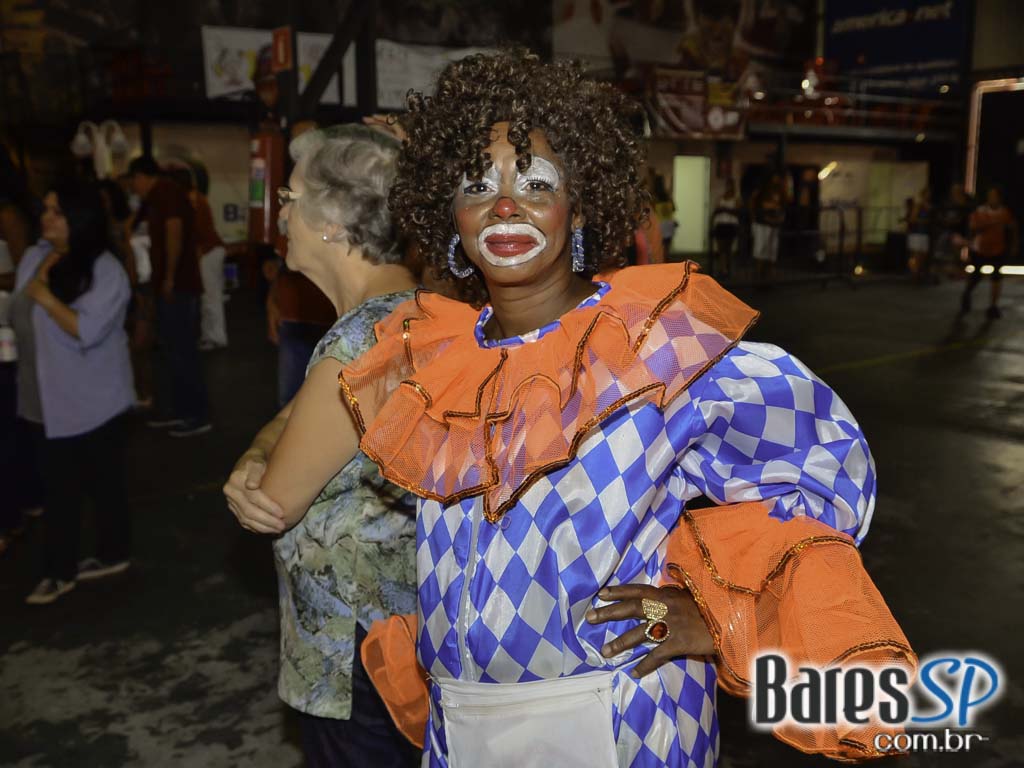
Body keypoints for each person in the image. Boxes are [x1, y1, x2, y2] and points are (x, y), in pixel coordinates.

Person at [254, 51, 914, 766]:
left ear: (581, 203)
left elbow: (820, 469)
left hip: (624, 718)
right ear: (450, 211)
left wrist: (720, 613)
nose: (505, 206)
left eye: (536, 183)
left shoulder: (650, 348)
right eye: (479, 184)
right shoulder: (432, 360)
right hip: (464, 722)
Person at [223, 125, 421, 768]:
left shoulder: (354, 342)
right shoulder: (412, 309)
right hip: (402, 635)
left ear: (332, 219)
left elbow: (274, 500)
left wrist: (254, 467)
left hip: (351, 651)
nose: (279, 212)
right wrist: (262, 446)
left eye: (290, 194)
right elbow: (298, 416)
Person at [14, 181, 134, 605]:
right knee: (58, 486)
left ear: (78, 220)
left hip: (94, 399)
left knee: (95, 486)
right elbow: (17, 310)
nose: (46, 218)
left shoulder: (105, 269)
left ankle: (67, 569)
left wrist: (45, 298)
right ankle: (82, 559)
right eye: (45, 209)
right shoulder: (34, 256)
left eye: (56, 212)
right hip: (41, 395)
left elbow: (84, 329)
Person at [129, 155, 211, 436]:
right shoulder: (158, 196)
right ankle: (179, 410)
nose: (134, 189)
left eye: (133, 182)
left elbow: (173, 229)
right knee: (172, 349)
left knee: (182, 350)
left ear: (141, 176)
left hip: (178, 284)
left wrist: (169, 276)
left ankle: (195, 414)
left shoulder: (165, 193)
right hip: (172, 282)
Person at [961, 185, 1018, 319]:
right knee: (976, 276)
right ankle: (967, 293)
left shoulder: (1004, 212)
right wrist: (989, 224)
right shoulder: (981, 211)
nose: (992, 198)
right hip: (981, 248)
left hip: (998, 249)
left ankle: (993, 306)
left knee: (997, 277)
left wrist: (1014, 244)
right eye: (990, 196)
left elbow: (1013, 227)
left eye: (995, 196)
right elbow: (973, 227)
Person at [191, 180, 228, 350]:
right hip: (211, 251)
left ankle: (215, 337)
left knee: (210, 298)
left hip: (208, 252)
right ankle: (211, 336)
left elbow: (198, 233)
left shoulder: (194, 200)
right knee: (210, 297)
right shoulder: (198, 198)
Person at [711, 178, 740, 277]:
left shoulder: (736, 198)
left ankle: (727, 267)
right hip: (721, 224)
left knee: (728, 249)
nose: (728, 187)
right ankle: (722, 269)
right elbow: (716, 209)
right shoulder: (722, 197)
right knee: (721, 248)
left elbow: (738, 211)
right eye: (727, 185)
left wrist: (726, 209)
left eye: (730, 185)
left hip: (730, 225)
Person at [907, 187, 932, 281]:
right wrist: (923, 221)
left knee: (923, 253)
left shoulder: (928, 205)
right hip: (918, 232)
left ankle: (919, 271)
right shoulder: (919, 205)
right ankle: (915, 272)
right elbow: (913, 218)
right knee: (917, 253)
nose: (929, 196)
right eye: (927, 194)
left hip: (925, 232)